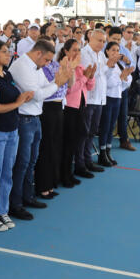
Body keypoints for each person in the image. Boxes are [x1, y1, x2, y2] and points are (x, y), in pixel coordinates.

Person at [7, 39, 71, 220]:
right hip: (24, 118)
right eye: (47, 60)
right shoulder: (22, 67)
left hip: (35, 117)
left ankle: (28, 196)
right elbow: (38, 94)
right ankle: (16, 203)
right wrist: (57, 84)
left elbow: (44, 86)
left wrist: (56, 82)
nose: (48, 64)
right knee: (22, 163)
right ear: (38, 54)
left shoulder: (35, 67)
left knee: (31, 161)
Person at [0, 40, 33, 231]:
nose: (8, 54)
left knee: (6, 173)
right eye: (4, 51)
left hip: (12, 130)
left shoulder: (7, 74)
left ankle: (2, 210)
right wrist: (19, 102)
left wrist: (22, 99)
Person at [35, 38, 75, 198]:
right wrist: (61, 76)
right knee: (47, 147)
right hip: (47, 107)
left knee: (56, 146)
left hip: (59, 106)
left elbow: (68, 84)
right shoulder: (40, 67)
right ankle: (43, 185)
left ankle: (52, 182)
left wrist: (68, 69)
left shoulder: (56, 64)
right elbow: (48, 87)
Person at [61, 39, 96, 182]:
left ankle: (75, 169)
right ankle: (65, 174)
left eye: (78, 50)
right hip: (70, 108)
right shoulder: (66, 67)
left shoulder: (80, 67)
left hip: (81, 106)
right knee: (68, 142)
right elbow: (70, 89)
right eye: (74, 50)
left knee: (79, 138)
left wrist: (91, 77)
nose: (77, 53)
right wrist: (85, 77)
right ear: (66, 52)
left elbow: (89, 87)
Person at [98, 41, 133, 166]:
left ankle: (108, 150)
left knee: (112, 126)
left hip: (117, 97)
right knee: (105, 126)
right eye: (113, 50)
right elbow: (108, 83)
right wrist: (121, 78)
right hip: (108, 98)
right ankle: (102, 153)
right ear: (106, 51)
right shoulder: (106, 64)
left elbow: (127, 82)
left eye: (118, 50)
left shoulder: (119, 64)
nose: (116, 53)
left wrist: (124, 78)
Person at [78, 30, 108, 171]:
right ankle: (81, 163)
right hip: (88, 99)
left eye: (103, 41)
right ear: (91, 38)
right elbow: (89, 74)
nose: (101, 44)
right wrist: (106, 67)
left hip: (99, 98)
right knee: (84, 132)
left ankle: (88, 159)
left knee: (92, 131)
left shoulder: (101, 54)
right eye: (99, 40)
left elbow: (102, 74)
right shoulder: (84, 53)